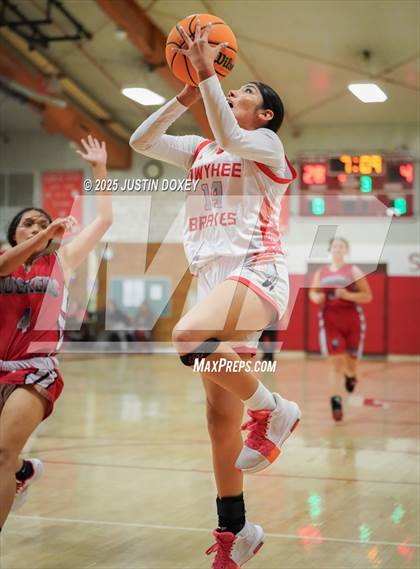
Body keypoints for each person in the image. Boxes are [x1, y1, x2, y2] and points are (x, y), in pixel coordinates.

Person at [130, 20, 301, 568]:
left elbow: (230, 136)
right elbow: (141, 142)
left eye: (245, 91)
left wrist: (207, 73)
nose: (234, 92)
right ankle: (237, 530)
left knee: (186, 337)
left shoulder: (266, 145)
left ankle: (273, 409)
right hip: (211, 281)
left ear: (265, 115)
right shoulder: (200, 149)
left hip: (257, 269)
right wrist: (185, 95)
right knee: (218, 421)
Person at [0, 136, 112, 531]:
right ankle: (24, 470)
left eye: (43, 223)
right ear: (13, 233)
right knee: (5, 456)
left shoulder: (62, 259)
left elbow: (104, 221)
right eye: (28, 223)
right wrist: (43, 233)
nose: (37, 228)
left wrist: (99, 169)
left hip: (35, 368)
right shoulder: (3, 257)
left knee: (1, 453)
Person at [309, 237, 373, 421]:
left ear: (346, 250)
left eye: (341, 246)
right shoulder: (321, 272)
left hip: (352, 321)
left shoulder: (353, 271)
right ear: (330, 250)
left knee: (350, 363)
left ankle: (351, 376)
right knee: (336, 363)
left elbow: (367, 296)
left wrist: (347, 295)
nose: (337, 248)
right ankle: (336, 403)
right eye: (335, 246)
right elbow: (313, 292)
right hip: (330, 321)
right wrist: (316, 298)